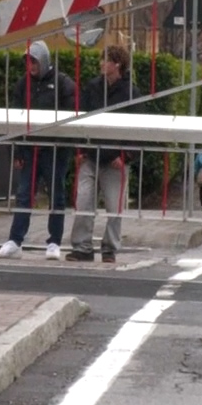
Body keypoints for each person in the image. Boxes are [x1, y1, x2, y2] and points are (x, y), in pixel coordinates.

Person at [0, 40, 77, 261]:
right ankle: (15, 241)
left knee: (56, 196)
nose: (30, 66)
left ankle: (54, 242)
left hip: (55, 150)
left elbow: (72, 118)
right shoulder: (23, 84)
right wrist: (17, 151)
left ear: (44, 61)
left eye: (34, 61)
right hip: (31, 149)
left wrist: (67, 148)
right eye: (28, 62)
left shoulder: (63, 83)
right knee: (23, 195)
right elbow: (17, 118)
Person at [69, 44, 138, 263]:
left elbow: (137, 127)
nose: (101, 63)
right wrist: (80, 148)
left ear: (117, 64)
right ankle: (82, 247)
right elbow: (81, 117)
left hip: (115, 160)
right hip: (91, 155)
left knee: (113, 207)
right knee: (83, 201)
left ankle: (109, 248)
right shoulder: (93, 87)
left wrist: (125, 155)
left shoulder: (130, 92)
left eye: (105, 59)